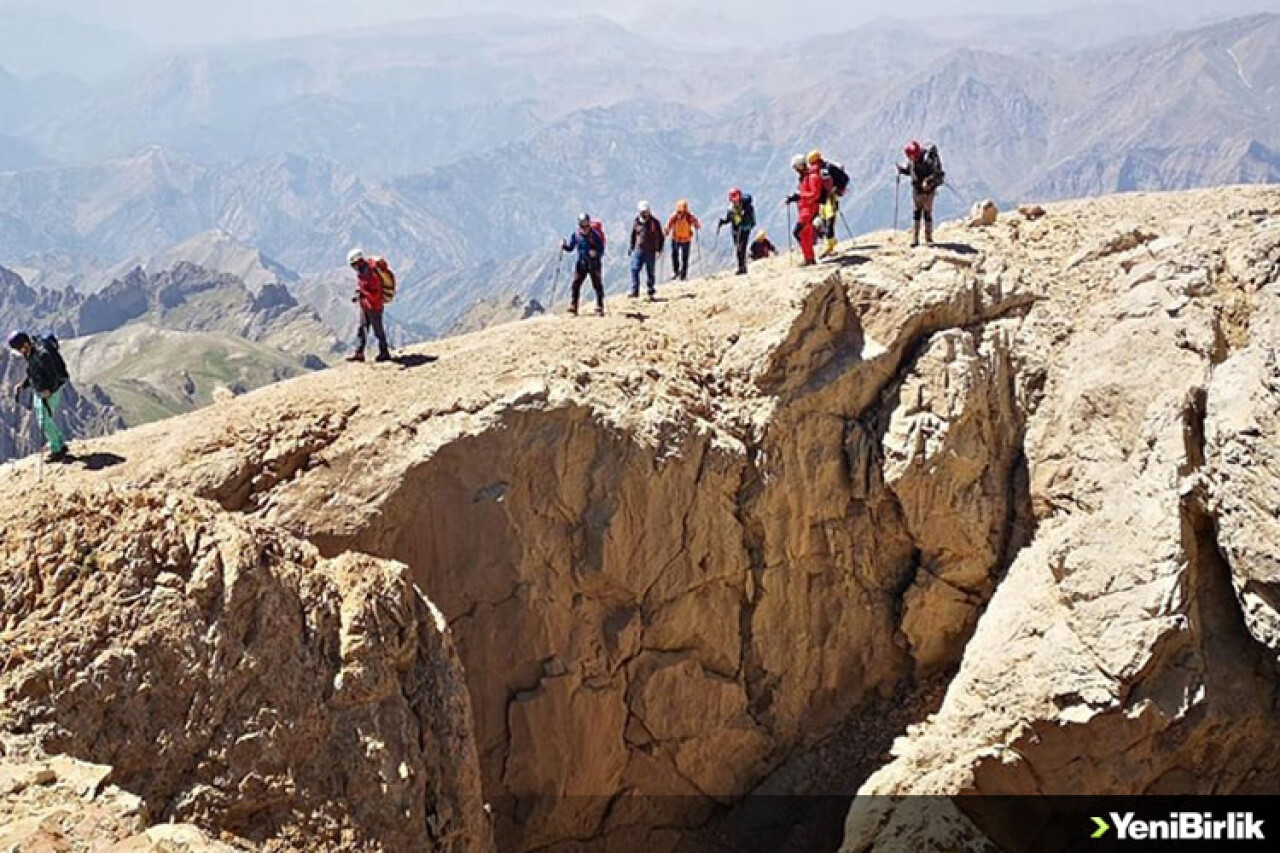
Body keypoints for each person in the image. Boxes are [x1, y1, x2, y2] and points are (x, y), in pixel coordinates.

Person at [8, 330, 70, 462]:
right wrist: (23, 385)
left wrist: (50, 390)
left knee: (44, 421)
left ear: (25, 344)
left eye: (19, 348)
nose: (20, 352)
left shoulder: (43, 355)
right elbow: (33, 371)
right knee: (43, 419)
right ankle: (59, 444)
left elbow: (55, 376)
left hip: (51, 390)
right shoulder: (30, 351)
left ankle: (57, 450)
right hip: (39, 389)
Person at [345, 249, 392, 362]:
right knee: (362, 329)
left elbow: (375, 293)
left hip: (374, 307)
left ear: (358, 261)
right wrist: (359, 293)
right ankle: (359, 353)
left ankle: (384, 353)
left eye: (353, 264)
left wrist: (363, 294)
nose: (353, 268)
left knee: (378, 330)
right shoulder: (363, 271)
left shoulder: (370, 273)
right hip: (366, 305)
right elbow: (364, 287)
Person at [785, 151, 826, 266]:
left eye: (796, 167)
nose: (796, 170)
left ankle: (809, 257)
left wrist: (799, 196)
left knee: (797, 232)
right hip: (804, 210)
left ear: (801, 165)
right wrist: (794, 198)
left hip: (809, 211)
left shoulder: (812, 177)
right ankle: (809, 259)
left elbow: (815, 194)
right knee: (804, 234)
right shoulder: (805, 177)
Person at [898, 140, 941, 247]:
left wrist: (928, 182)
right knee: (917, 213)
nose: (908, 158)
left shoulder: (927, 161)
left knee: (926, 214)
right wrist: (902, 170)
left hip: (927, 192)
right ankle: (916, 239)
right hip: (917, 191)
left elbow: (936, 174)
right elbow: (910, 171)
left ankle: (928, 238)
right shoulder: (913, 161)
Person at [561, 213, 606, 316]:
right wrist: (564, 246)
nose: (584, 227)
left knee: (597, 285)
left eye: (585, 224)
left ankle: (599, 306)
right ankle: (574, 306)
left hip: (594, 263)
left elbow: (601, 249)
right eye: (582, 224)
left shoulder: (595, 235)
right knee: (576, 284)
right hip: (581, 263)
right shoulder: (576, 235)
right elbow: (571, 248)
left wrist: (596, 253)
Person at [629, 200, 665, 300]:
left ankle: (650, 291)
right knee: (634, 269)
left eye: (646, 212)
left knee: (650, 272)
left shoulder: (654, 222)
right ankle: (635, 291)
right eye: (643, 212)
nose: (645, 214)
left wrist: (659, 250)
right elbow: (633, 235)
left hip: (651, 251)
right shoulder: (636, 221)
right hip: (639, 250)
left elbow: (660, 237)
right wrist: (631, 247)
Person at [718, 188, 756, 275]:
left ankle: (742, 268)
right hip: (735, 230)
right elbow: (729, 219)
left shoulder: (746, 207)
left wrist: (743, 217)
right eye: (732, 197)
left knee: (741, 249)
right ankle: (742, 267)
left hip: (744, 229)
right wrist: (723, 221)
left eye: (734, 197)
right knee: (738, 249)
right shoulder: (731, 208)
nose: (733, 199)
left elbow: (748, 218)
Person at [664, 200, 700, 281]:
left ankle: (683, 276)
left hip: (686, 240)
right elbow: (668, 224)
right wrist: (667, 230)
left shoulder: (689, 216)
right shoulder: (674, 216)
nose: (681, 213)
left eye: (682, 212)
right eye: (679, 212)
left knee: (685, 258)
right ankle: (676, 271)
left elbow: (697, 224)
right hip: (676, 239)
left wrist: (696, 225)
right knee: (674, 255)